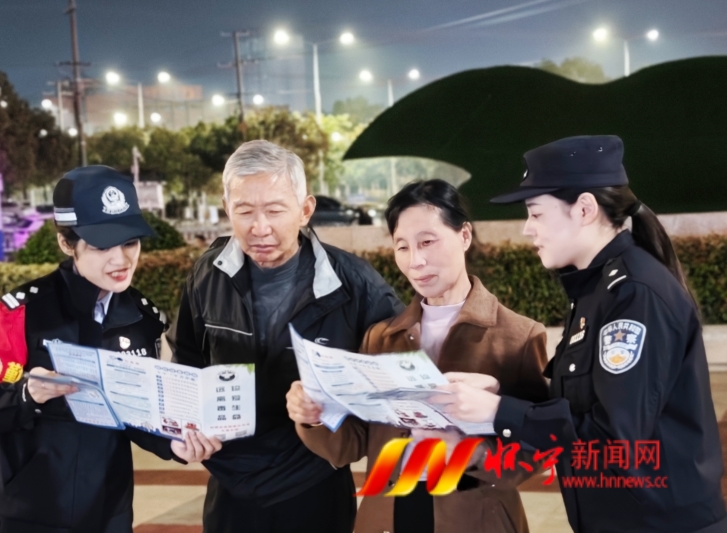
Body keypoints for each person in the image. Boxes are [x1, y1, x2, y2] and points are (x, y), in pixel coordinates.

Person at [440, 135, 726, 533]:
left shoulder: (633, 294)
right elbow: (586, 406)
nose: (527, 229)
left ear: (585, 209)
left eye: (536, 214)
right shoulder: (597, 289)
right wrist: (500, 395)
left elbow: (614, 440)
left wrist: (497, 412)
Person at [286, 179, 550, 533]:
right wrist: (316, 416)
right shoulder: (382, 338)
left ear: (464, 235)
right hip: (390, 514)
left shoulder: (519, 336)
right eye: (403, 246)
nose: (416, 261)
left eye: (427, 242)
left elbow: (538, 447)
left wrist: (472, 451)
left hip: (475, 519)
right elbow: (353, 444)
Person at [167, 140, 403, 533]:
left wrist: (330, 403)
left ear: (305, 209)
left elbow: (395, 370)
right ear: (227, 208)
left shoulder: (354, 283)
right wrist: (187, 425)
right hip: (231, 482)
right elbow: (187, 360)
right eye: (244, 211)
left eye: (275, 211)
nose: (260, 228)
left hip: (315, 481)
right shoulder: (206, 275)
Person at [0, 166, 215, 533]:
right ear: (67, 244)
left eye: (130, 242)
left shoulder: (143, 319)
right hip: (25, 515)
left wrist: (174, 445)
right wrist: (29, 393)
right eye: (101, 246)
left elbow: (137, 414)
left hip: (107, 516)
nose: (121, 259)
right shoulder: (23, 312)